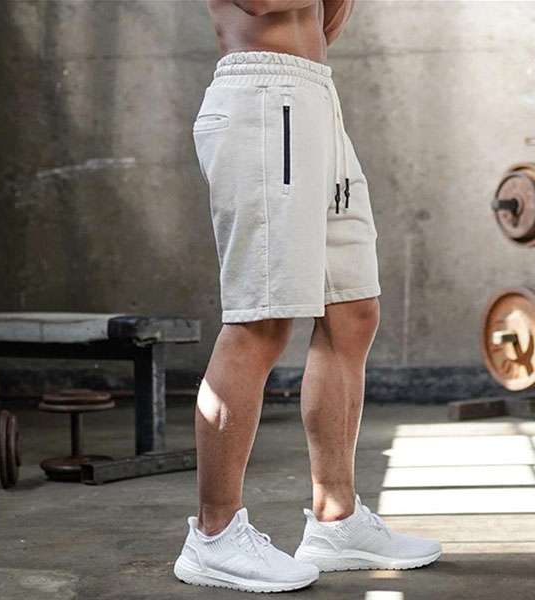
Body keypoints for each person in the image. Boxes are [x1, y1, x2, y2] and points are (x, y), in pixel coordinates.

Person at [174, 0, 441, 592]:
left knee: (352, 310)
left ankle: (336, 520)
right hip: (263, 99)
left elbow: (325, 24)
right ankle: (213, 535)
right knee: (262, 321)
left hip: (314, 94)